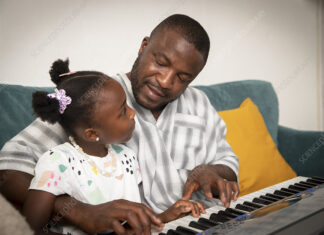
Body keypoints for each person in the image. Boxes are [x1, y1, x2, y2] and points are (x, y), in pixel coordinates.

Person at [0, 14, 239, 234]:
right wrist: (78, 211)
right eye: (161, 62)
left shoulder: (199, 103)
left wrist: (212, 171)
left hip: (207, 222)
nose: (166, 82)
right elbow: (7, 171)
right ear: (144, 46)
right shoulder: (97, 98)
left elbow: (229, 165)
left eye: (182, 78)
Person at [23, 59, 206, 235]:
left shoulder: (127, 157)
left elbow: (128, 226)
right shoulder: (56, 162)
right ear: (92, 134)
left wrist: (166, 216)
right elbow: (28, 229)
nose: (133, 113)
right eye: (123, 111)